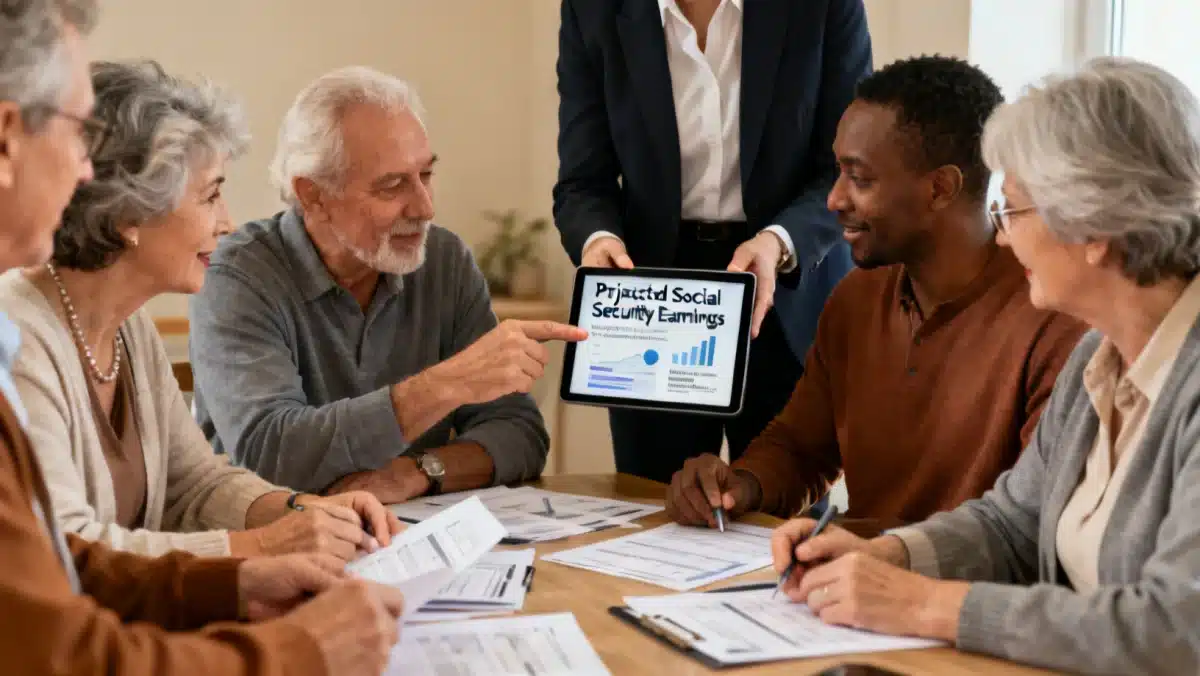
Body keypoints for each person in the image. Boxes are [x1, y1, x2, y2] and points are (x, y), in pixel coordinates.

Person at [0, 2, 403, 674]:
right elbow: (61, 617)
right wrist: (289, 610)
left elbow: (187, 485)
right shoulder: (20, 333)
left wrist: (297, 518)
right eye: (211, 194)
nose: (82, 171)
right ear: (134, 213)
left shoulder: (128, 324)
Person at [770, 58, 1200, 675]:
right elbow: (1013, 525)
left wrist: (924, 605)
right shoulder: (1098, 356)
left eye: (1015, 212)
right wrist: (889, 555)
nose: (1001, 237)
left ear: (1094, 227)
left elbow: (1174, 632)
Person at [666, 56, 1087, 526]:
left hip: (953, 591)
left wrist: (885, 559)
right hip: (847, 582)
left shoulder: (1054, 317)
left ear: (940, 188)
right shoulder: (857, 298)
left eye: (860, 179)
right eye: (838, 173)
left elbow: (1029, 527)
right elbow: (802, 448)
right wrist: (738, 485)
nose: (834, 200)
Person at [190, 66, 587, 501]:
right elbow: (271, 453)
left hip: (412, 542)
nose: (425, 206)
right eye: (393, 185)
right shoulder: (238, 274)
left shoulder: (445, 261)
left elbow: (520, 434)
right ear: (313, 195)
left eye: (426, 175)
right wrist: (447, 384)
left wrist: (417, 472)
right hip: (275, 546)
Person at [553, 0, 873, 483]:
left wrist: (777, 242)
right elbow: (583, 180)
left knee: (783, 510)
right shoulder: (592, 9)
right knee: (654, 504)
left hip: (786, 283)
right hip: (656, 293)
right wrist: (598, 242)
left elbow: (845, 167)